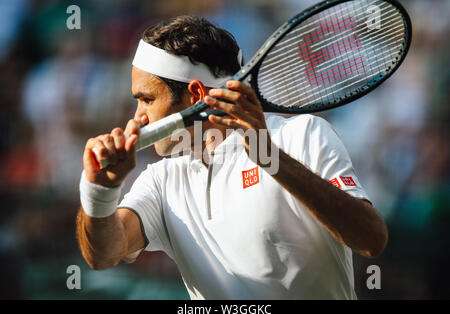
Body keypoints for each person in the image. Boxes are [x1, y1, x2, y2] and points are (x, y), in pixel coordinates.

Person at [77, 15, 388, 299]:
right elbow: (103, 255)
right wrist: (99, 191)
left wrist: (272, 160)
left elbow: (370, 239)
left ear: (196, 96)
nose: (137, 117)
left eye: (146, 99)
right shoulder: (162, 179)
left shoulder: (303, 134)